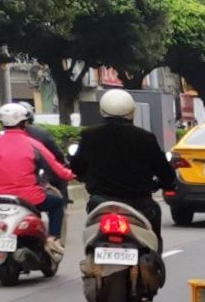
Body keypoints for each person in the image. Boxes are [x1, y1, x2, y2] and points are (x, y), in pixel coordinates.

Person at [70, 88, 176, 247]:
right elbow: (164, 170)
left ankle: (91, 253)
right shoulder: (145, 138)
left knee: (91, 235)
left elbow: (77, 166)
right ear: (132, 111)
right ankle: (153, 260)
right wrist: (167, 183)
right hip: (139, 203)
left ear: (102, 110)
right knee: (153, 237)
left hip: (100, 202)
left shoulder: (89, 135)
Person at [0, 102, 72, 245]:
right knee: (57, 204)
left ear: (1, 123)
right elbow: (57, 169)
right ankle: (53, 240)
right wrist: (74, 174)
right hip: (31, 198)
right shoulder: (34, 144)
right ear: (25, 123)